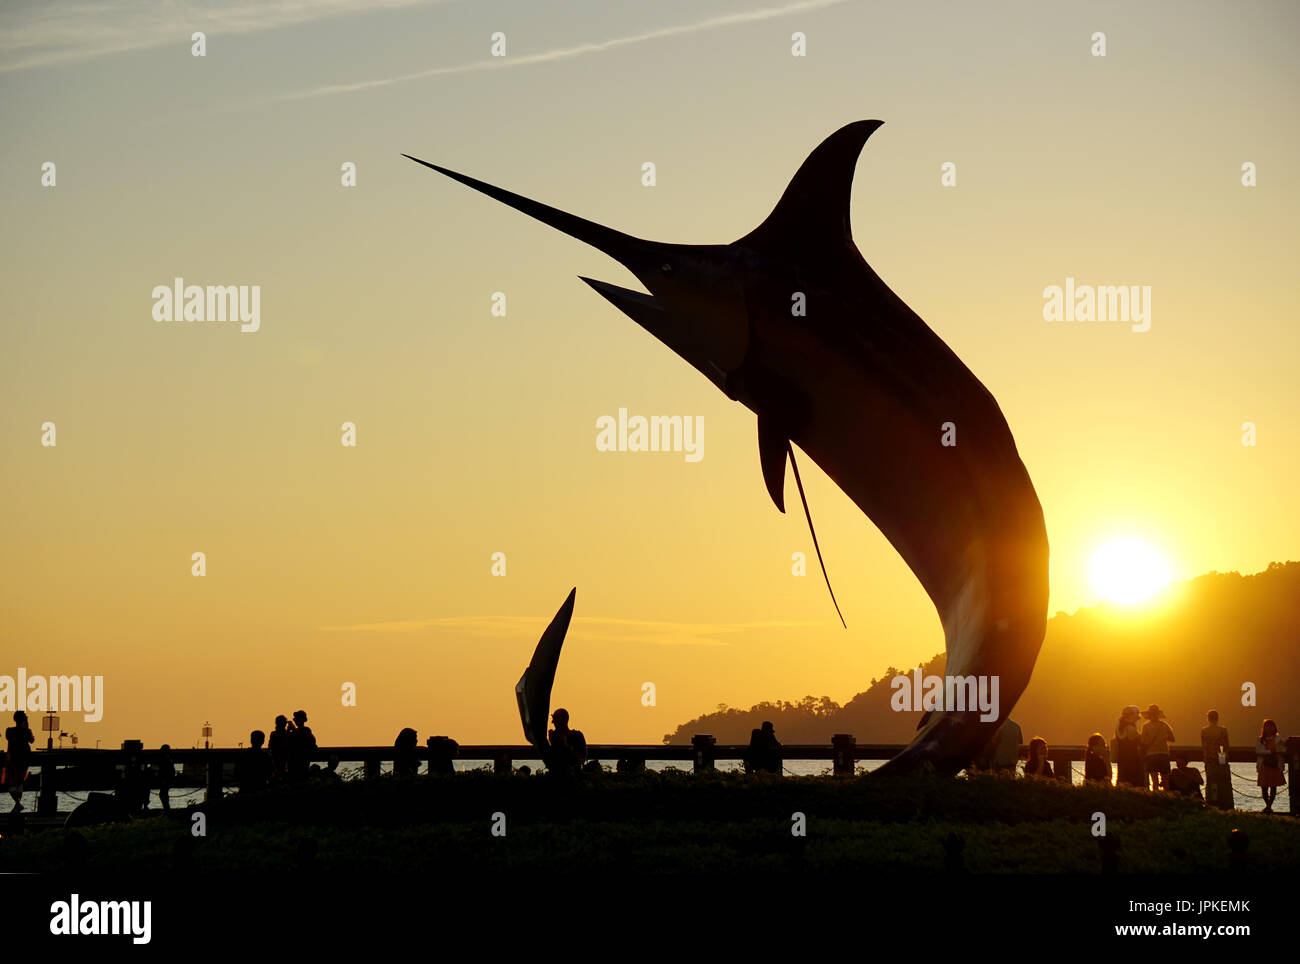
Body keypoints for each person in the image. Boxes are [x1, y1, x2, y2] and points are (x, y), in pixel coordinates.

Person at [1200, 710, 1234, 810]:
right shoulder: (1223, 730)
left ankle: (1212, 802)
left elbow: (1204, 747)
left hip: (1210, 760)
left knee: (1212, 782)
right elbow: (1226, 746)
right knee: (1223, 782)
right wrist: (1223, 759)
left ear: (1208, 718)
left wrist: (1206, 759)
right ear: (1217, 718)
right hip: (1221, 759)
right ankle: (1224, 802)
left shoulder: (1204, 731)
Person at [4, 711, 34, 811]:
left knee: (11, 784)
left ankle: (18, 804)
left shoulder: (9, 731)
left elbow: (9, 743)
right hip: (24, 759)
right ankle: (18, 804)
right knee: (19, 783)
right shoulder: (27, 731)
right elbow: (32, 740)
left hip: (13, 759)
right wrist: (27, 725)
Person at [1140, 704, 1175, 791]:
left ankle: (1155, 799)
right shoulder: (1164, 725)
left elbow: (1143, 742)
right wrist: (1162, 738)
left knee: (1154, 781)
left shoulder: (1145, 726)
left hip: (1151, 755)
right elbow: (1172, 738)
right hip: (1164, 754)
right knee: (1166, 781)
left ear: (1149, 715)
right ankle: (1166, 799)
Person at [1256, 719, 1286, 814]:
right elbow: (1258, 750)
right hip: (1264, 765)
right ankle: (1268, 806)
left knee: (1273, 787)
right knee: (1264, 787)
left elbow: (1284, 749)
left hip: (1275, 765)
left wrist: (1276, 750)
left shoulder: (1278, 739)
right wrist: (1269, 752)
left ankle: (1268, 807)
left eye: (1271, 726)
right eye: (1267, 726)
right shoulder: (1260, 739)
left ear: (1274, 727)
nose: (1269, 728)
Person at [545, 708, 587, 774]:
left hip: (574, 774)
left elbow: (581, 758)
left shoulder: (577, 736)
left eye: (556, 719)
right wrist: (551, 742)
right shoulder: (555, 737)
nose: (553, 722)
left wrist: (566, 745)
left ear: (564, 719)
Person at [1113, 706, 1145, 788]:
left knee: (1122, 781)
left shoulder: (1118, 729)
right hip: (1132, 760)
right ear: (1130, 717)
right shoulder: (1131, 729)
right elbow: (1141, 741)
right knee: (1134, 783)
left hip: (1121, 758)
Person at [288, 710, 316, 781]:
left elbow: (301, 738)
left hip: (302, 760)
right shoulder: (295, 732)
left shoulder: (306, 730)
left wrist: (293, 729)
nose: (296, 721)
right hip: (294, 762)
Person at [268, 715, 291, 782]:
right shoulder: (287, 734)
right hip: (284, 759)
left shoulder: (273, 734)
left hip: (276, 759)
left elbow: (270, 746)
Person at [157, 744, 175, 811]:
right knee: (164, 793)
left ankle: (166, 808)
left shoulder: (164, 760)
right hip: (168, 779)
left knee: (163, 794)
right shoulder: (169, 760)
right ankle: (167, 808)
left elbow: (162, 770)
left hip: (165, 779)